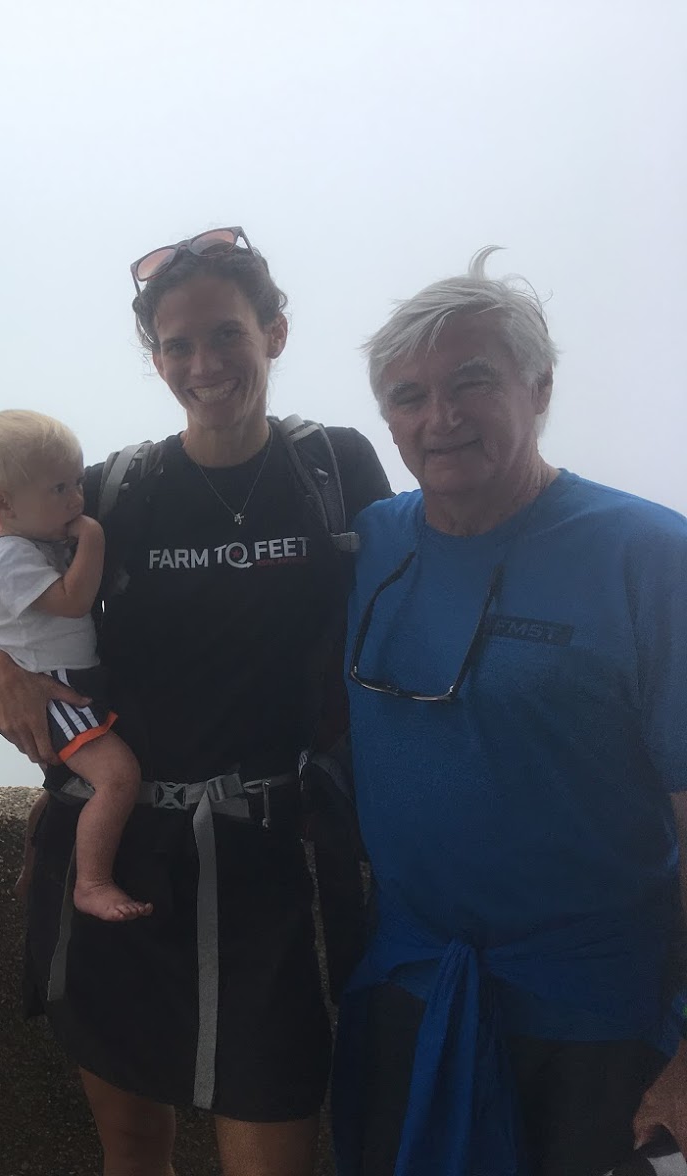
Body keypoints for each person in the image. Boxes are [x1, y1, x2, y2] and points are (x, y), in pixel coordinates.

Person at [0, 227, 391, 1176]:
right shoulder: (114, 490)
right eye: (177, 345)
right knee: (133, 1149)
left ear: (275, 333)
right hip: (123, 854)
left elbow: (408, 604)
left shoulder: (333, 468)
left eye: (227, 334)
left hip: (272, 863)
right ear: (156, 358)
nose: (204, 364)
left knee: (274, 1139)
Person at [334, 248, 687, 1176]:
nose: (439, 417)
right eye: (408, 396)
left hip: (599, 1019)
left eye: (472, 382)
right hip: (411, 993)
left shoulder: (649, 557)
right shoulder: (375, 544)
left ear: (540, 388)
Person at [0, 409, 151, 922]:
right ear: (2, 504)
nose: (77, 498)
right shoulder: (7, 556)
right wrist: (93, 540)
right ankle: (92, 882)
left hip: (71, 679)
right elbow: (71, 600)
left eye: (78, 481)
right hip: (50, 688)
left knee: (67, 785)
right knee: (117, 778)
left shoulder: (37, 542)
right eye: (60, 488)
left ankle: (35, 866)